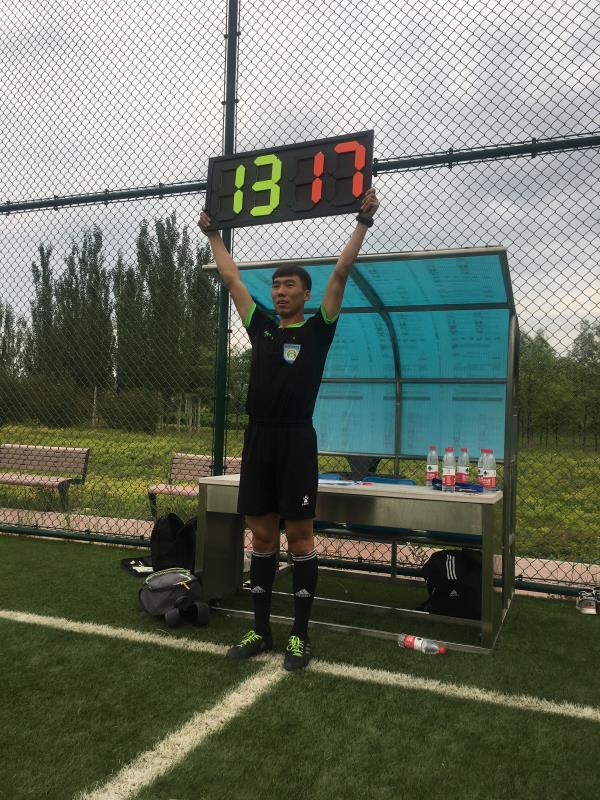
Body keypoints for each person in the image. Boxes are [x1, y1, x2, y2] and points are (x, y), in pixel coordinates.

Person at [198, 187, 379, 670]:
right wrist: (214, 235)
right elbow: (231, 276)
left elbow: (340, 273)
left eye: (289, 286)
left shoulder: (319, 329)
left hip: (297, 439)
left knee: (299, 537)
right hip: (259, 438)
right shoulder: (260, 326)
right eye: (276, 285)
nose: (280, 292)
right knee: (261, 537)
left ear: (305, 293)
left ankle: (299, 636)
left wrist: (362, 223)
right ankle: (260, 630)